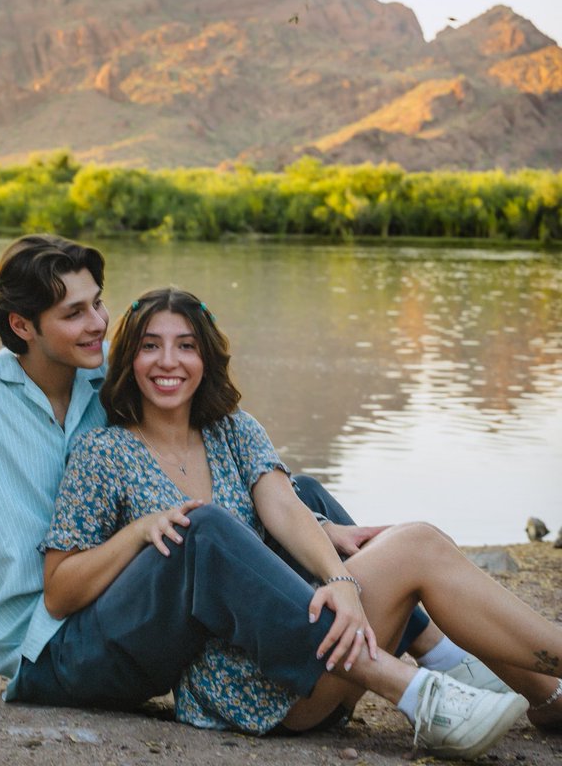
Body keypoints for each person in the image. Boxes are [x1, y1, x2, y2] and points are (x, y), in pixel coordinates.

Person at [0, 237, 560, 748]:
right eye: (76, 313)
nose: (99, 322)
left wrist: (330, 543)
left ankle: (502, 676)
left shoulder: (109, 382)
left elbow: (265, 488)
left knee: (307, 492)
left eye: (100, 304)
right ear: (20, 326)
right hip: (45, 645)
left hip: (137, 612)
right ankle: (412, 682)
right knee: (200, 526)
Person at [41, 286, 562, 752]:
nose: (167, 361)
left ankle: (548, 697)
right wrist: (137, 533)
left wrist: (340, 579)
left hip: (320, 649)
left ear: (207, 358)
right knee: (417, 544)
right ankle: (451, 669)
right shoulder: (103, 452)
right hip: (244, 682)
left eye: (186, 345)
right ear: (129, 357)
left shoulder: (232, 429)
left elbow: (283, 505)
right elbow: (60, 592)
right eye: (150, 345)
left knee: (350, 514)